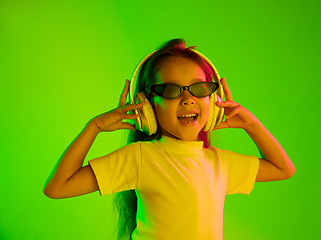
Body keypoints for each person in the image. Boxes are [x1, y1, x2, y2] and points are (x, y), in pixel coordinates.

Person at [44, 38, 295, 240]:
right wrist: (94, 127)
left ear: (214, 100)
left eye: (199, 88)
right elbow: (58, 187)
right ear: (146, 105)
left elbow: (283, 168)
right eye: (170, 90)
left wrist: (252, 125)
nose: (188, 99)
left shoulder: (220, 163)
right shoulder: (140, 157)